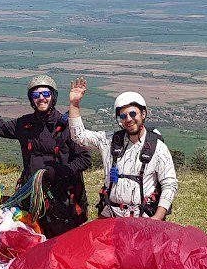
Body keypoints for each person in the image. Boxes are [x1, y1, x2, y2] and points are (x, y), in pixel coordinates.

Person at [0, 75, 91, 238]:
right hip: (32, 194)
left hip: (64, 196)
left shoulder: (67, 126)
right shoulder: (24, 124)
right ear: (31, 99)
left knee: (63, 242)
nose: (41, 98)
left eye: (46, 94)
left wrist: (61, 171)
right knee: (35, 239)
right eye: (36, 95)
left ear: (53, 97)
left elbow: (85, 159)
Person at [66, 77, 178, 220]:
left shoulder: (158, 147)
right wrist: (74, 104)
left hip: (144, 218)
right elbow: (79, 136)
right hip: (110, 216)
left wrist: (157, 218)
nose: (129, 119)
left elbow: (169, 184)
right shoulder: (108, 141)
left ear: (143, 114)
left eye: (133, 114)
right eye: (123, 116)